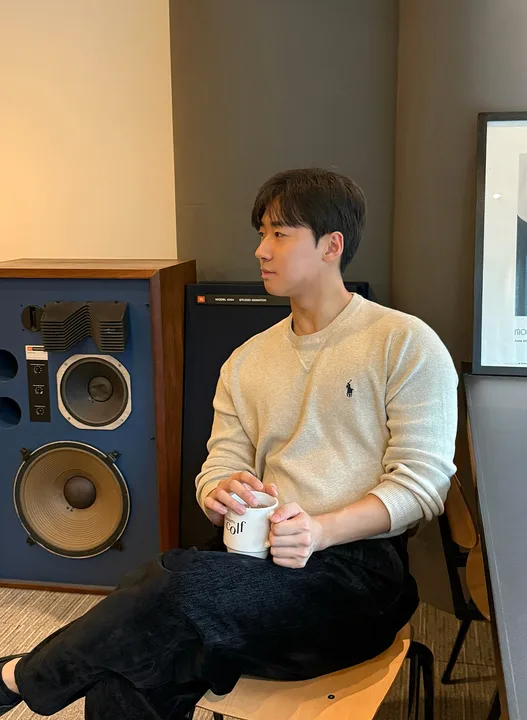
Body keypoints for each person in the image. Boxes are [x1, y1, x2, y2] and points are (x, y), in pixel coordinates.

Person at [0, 168, 458, 719]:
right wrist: (218, 491)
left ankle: (20, 677)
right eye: (262, 233)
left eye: (280, 234)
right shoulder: (247, 360)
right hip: (253, 558)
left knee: (170, 587)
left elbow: (423, 484)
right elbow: (221, 463)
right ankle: (25, 676)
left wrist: (320, 531)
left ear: (331, 246)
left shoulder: (404, 343)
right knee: (132, 664)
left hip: (357, 576)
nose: (261, 250)